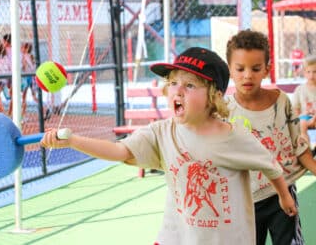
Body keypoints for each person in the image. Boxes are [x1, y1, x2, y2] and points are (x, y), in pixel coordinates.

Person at [41, 47, 297, 245]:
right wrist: (73, 141)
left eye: (189, 85)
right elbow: (121, 151)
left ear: (214, 97)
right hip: (176, 236)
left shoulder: (234, 137)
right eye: (173, 83)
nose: (178, 91)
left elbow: (271, 166)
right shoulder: (162, 132)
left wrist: (285, 197)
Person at [226, 29, 316, 245]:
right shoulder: (224, 110)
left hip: (283, 191)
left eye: (256, 69)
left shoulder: (281, 101)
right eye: (240, 69)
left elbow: (298, 145)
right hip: (245, 198)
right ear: (230, 70)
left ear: (267, 69)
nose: (248, 75)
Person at [292, 55, 316, 145]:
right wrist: (299, 117)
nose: (311, 75)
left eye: (315, 72)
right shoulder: (300, 89)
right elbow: (296, 108)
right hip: (305, 117)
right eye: (308, 72)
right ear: (304, 73)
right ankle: (306, 147)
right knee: (302, 124)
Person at [20, 42, 37, 118]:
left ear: (26, 49)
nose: (21, 48)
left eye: (22, 47)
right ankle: (44, 109)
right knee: (34, 96)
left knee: (24, 97)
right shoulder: (31, 57)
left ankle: (23, 115)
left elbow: (23, 67)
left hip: (26, 77)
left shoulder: (24, 56)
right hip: (32, 78)